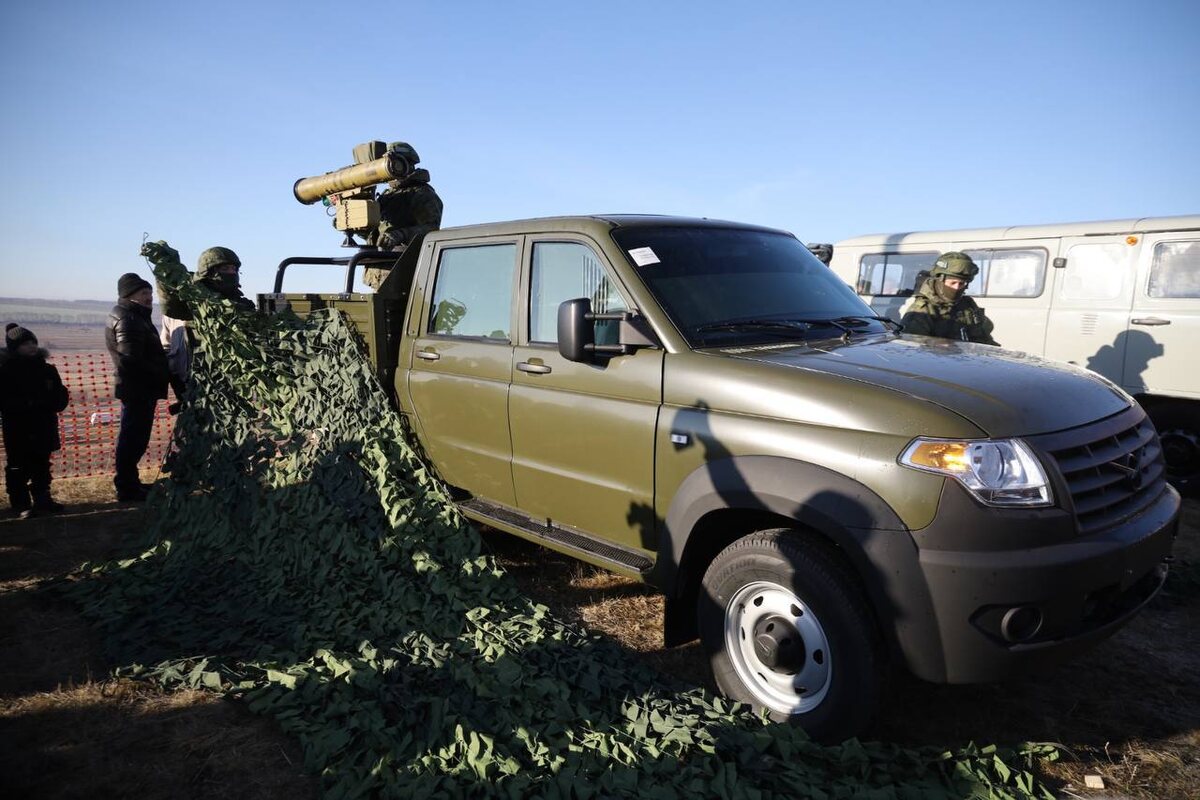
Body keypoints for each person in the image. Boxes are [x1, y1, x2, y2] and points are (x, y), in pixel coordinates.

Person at [106, 272, 169, 501]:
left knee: (135, 438)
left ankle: (131, 483)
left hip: (140, 388)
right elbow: (131, 360)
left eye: (150, 292)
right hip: (137, 389)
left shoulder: (133, 316)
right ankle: (127, 487)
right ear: (130, 295)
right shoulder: (128, 319)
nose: (149, 297)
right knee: (132, 439)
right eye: (144, 293)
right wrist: (160, 371)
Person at [1, 324, 70, 518]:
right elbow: (5, 400)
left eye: (33, 342)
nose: (31, 346)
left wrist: (57, 400)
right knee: (17, 466)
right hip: (18, 427)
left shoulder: (47, 370)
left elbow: (59, 395)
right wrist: (28, 403)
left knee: (42, 463)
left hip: (44, 424)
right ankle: (20, 503)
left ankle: (43, 499)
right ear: (14, 348)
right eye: (25, 343)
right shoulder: (6, 371)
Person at [363, 142, 443, 291]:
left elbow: (432, 230)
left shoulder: (422, 194)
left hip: (405, 277)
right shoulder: (388, 195)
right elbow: (375, 233)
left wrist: (401, 234)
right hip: (381, 274)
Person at [899, 252, 1000, 345]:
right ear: (939, 281)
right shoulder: (922, 310)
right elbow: (914, 350)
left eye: (962, 284)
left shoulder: (967, 305)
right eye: (952, 283)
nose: (957, 288)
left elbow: (984, 338)